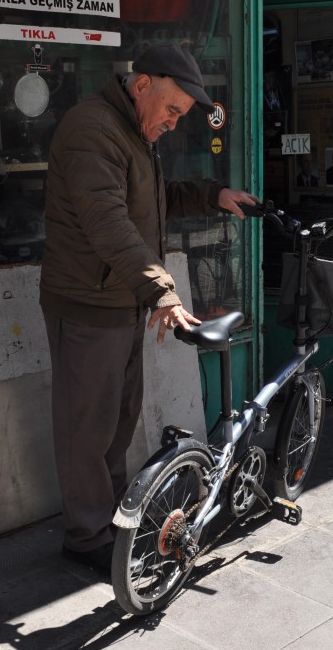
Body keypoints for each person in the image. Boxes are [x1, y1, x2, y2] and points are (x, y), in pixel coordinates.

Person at [39, 43, 259, 573]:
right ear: (143, 85)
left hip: (119, 301)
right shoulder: (93, 130)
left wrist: (213, 195)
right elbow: (109, 224)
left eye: (181, 116)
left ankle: (108, 523)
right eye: (173, 110)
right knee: (86, 428)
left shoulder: (132, 131)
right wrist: (162, 290)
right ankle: (85, 536)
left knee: (117, 422)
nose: (174, 123)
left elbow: (149, 203)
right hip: (89, 303)